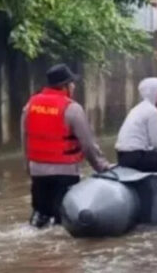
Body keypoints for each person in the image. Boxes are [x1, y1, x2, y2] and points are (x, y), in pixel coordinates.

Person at [23, 64, 111, 229]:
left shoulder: (30, 105)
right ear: (65, 86)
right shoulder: (72, 108)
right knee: (62, 218)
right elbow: (88, 144)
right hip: (64, 171)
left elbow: (25, 139)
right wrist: (102, 167)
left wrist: (28, 166)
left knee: (40, 214)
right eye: (71, 83)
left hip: (37, 170)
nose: (74, 86)